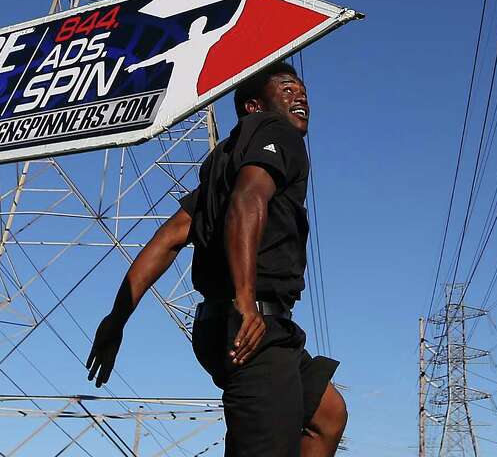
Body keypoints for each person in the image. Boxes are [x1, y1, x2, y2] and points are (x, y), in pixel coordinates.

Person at [85, 61, 347, 456]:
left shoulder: (223, 159)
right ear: (253, 106)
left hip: (221, 326)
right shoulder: (275, 132)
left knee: (327, 414)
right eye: (287, 88)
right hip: (250, 324)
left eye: (302, 91)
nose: (300, 97)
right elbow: (249, 200)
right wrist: (246, 301)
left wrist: (116, 318)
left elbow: (169, 238)